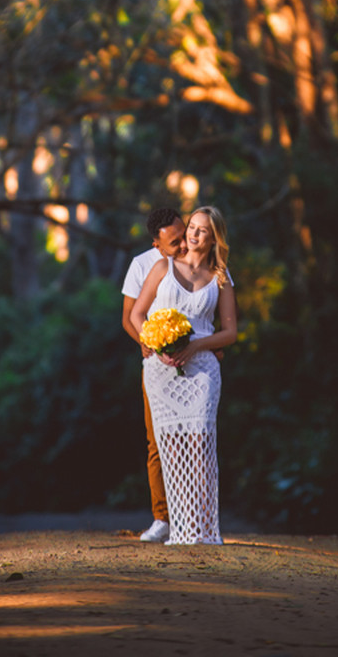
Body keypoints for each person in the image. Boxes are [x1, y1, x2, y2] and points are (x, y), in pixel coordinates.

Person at [130, 205, 237, 545]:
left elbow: (231, 333)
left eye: (202, 230)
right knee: (170, 450)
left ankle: (203, 528)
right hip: (161, 372)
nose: (193, 234)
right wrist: (155, 345)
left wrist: (196, 346)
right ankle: (180, 526)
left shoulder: (221, 277)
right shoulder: (162, 267)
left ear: (214, 237)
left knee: (201, 444)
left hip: (203, 369)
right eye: (192, 226)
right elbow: (136, 314)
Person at [121, 206, 186, 542]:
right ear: (157, 244)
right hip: (157, 367)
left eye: (184, 233)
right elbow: (129, 317)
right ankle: (162, 517)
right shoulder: (142, 265)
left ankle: (193, 515)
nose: (183, 244)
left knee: (191, 439)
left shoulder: (196, 259)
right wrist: (147, 343)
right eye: (174, 241)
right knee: (157, 443)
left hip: (192, 359)